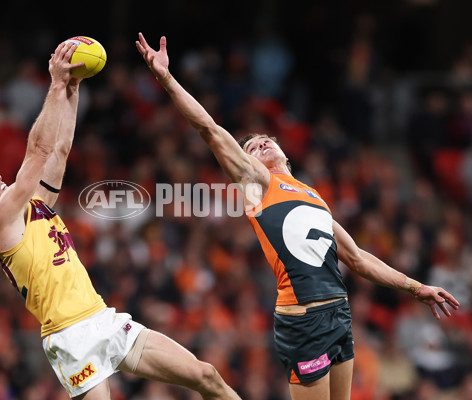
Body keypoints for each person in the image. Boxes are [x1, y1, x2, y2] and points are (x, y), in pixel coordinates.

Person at [135, 32, 461, 400]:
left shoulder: (312, 195)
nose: (258, 142)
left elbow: (355, 257)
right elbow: (209, 128)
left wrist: (414, 287)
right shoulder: (257, 183)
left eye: (264, 139)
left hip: (339, 313)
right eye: (250, 146)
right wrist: (166, 79)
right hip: (303, 320)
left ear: (285, 155)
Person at [0, 41, 241, 400]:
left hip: (102, 318)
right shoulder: (1, 221)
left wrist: (74, 86)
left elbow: (59, 149)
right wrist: (55, 83)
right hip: (70, 337)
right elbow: (38, 151)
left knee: (206, 375)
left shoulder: (34, 206)